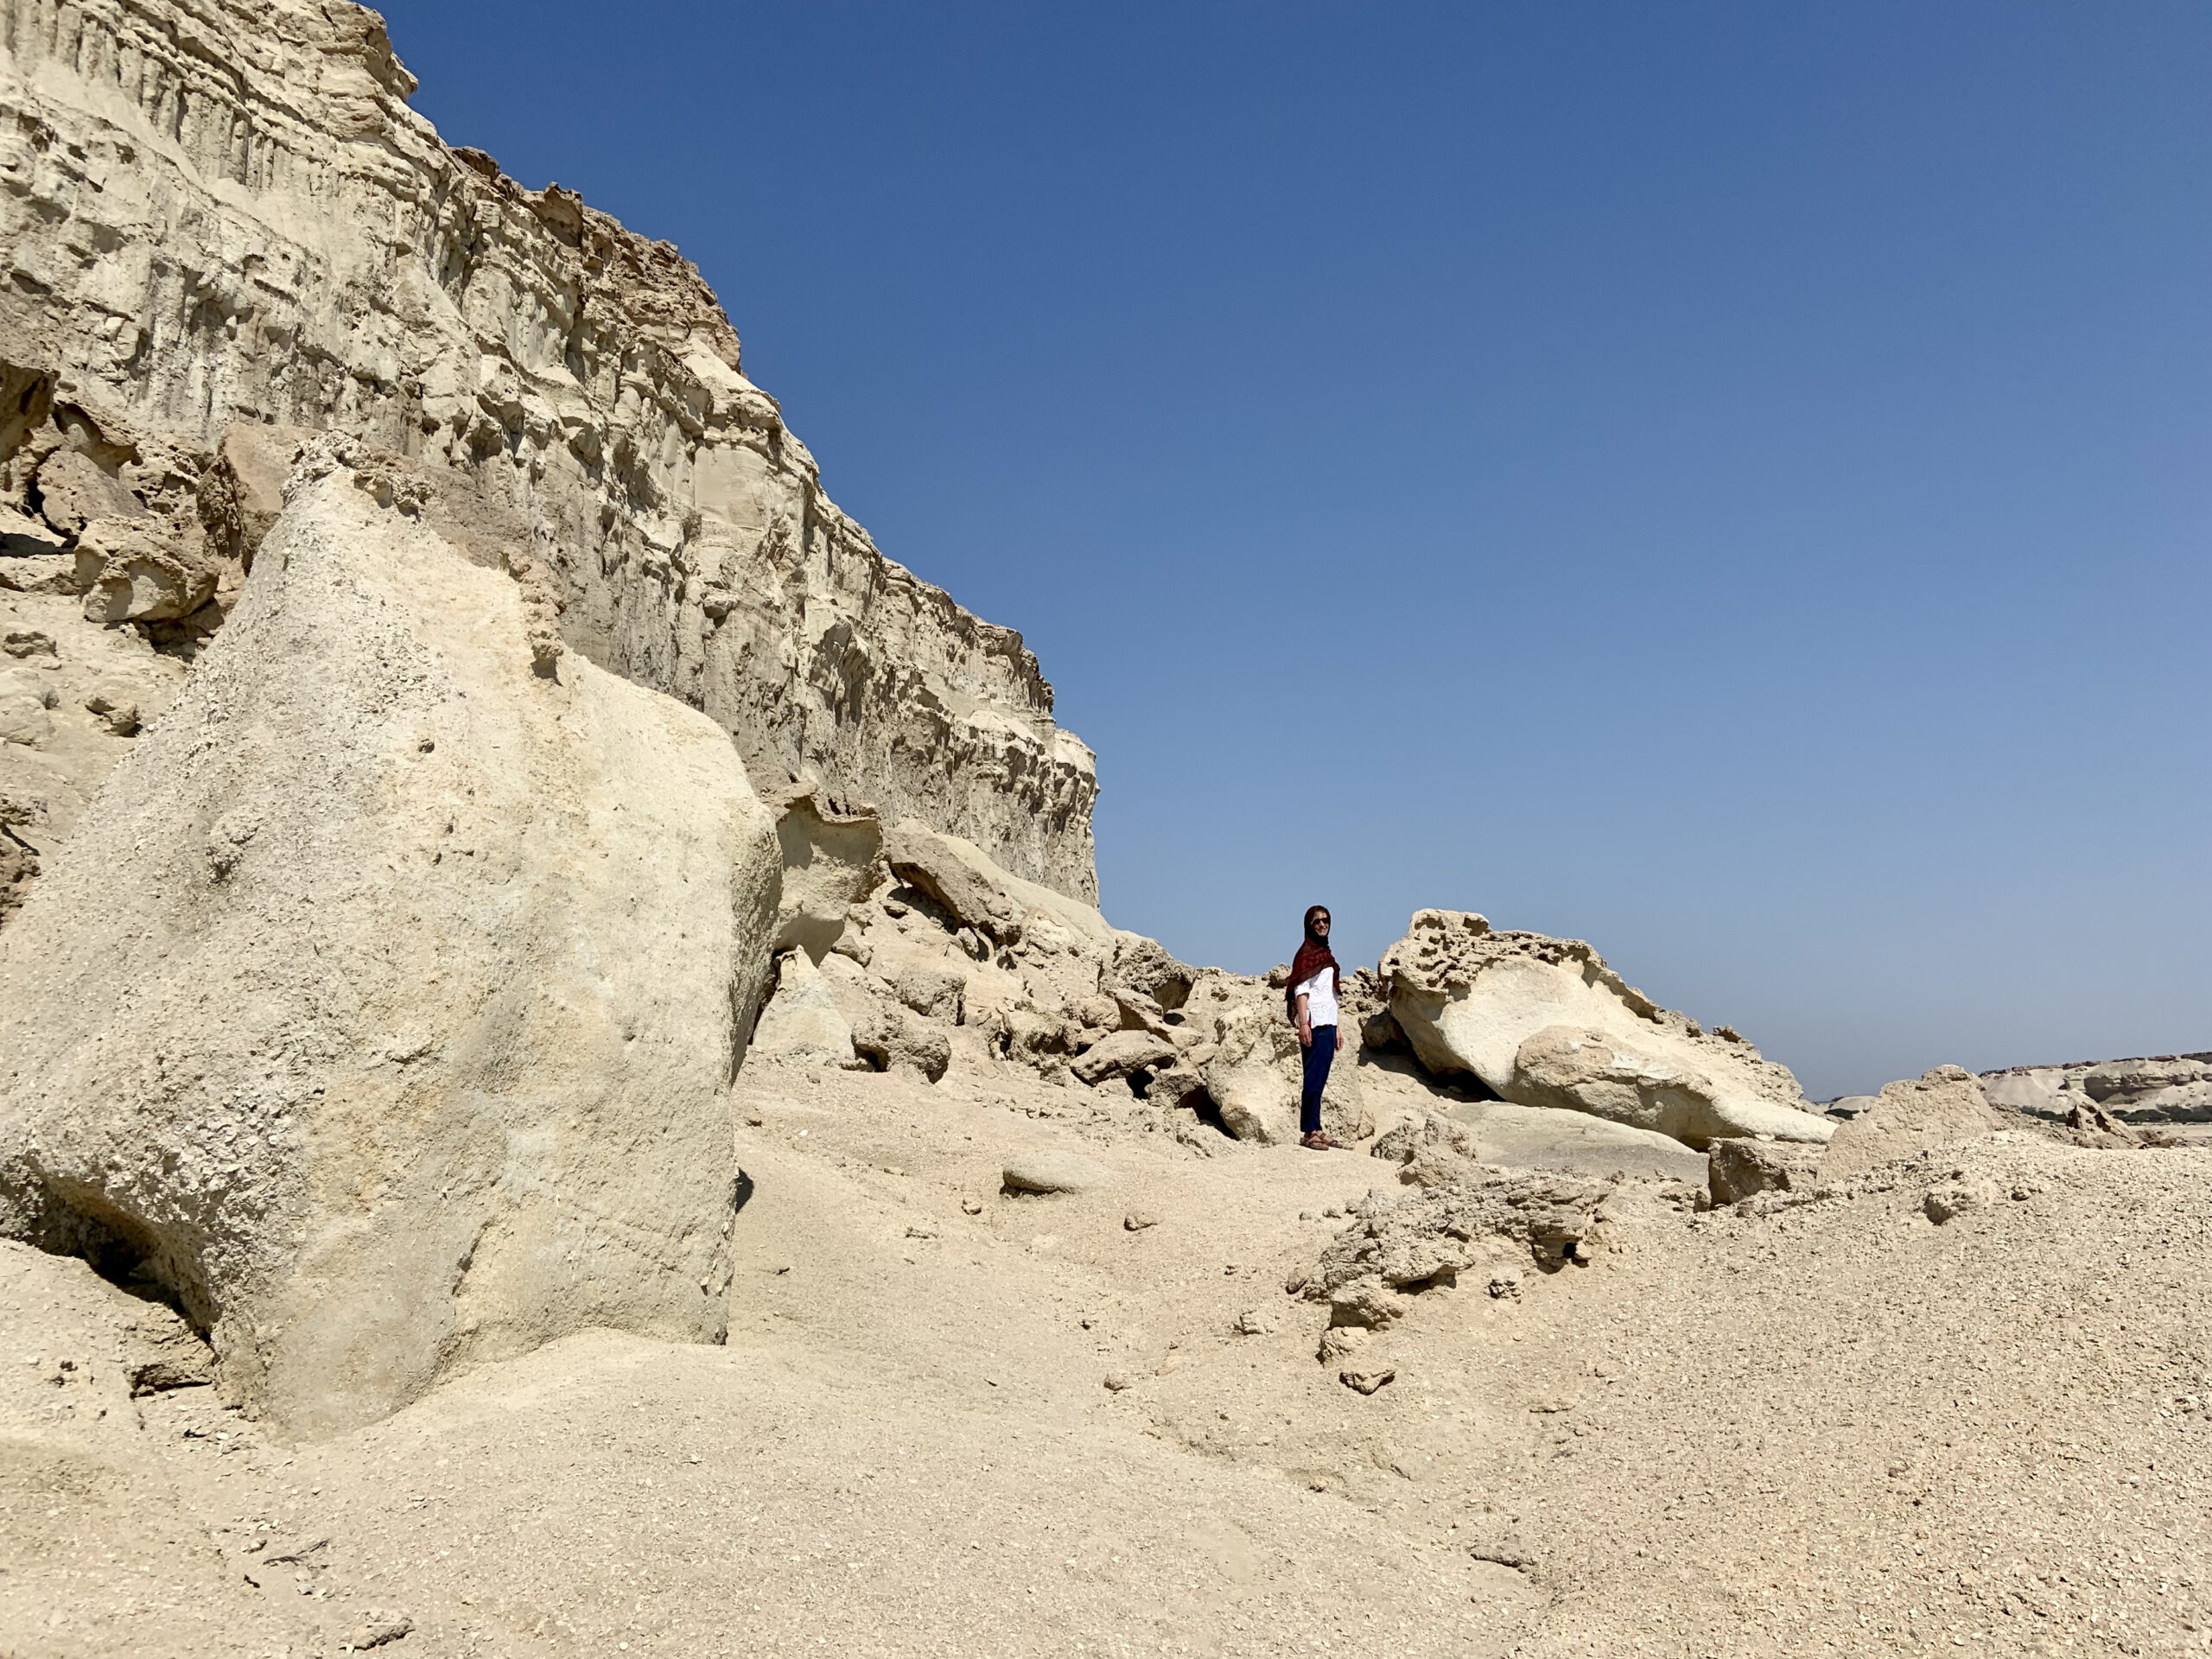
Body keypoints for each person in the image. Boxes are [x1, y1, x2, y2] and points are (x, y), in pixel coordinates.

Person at [1286, 905, 1344, 1150]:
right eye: (1317, 921)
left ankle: (1318, 1128)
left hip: (1329, 1023)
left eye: (1325, 920)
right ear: (1309, 926)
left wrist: (1338, 1028)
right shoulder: (1305, 954)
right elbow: (1301, 990)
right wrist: (1303, 1024)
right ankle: (1309, 1131)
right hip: (1314, 1024)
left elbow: (1331, 994)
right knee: (1312, 1078)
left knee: (1320, 1079)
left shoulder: (1326, 954)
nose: (1322, 924)